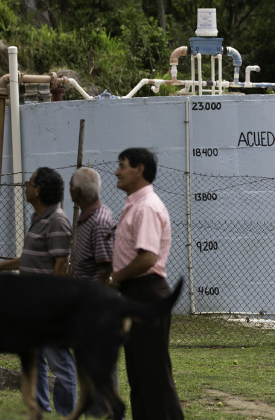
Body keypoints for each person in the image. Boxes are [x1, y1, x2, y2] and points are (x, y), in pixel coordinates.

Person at [0, 167, 77, 417]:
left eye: (29, 183)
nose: (26, 186)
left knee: (60, 363)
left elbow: (61, 264)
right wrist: (2, 266)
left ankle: (67, 413)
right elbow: (29, 258)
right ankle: (41, 410)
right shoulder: (38, 219)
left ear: (38, 190)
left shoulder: (57, 220)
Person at [104, 147, 184, 420]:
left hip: (146, 293)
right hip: (135, 294)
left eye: (122, 165)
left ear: (139, 169)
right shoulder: (135, 205)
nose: (117, 171)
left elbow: (148, 256)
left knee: (154, 375)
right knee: (139, 375)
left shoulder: (147, 207)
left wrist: (115, 278)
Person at [68, 167, 118, 418]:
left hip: (96, 314)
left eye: (70, 185)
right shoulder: (86, 218)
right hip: (84, 311)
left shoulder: (99, 221)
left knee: (99, 374)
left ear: (76, 191)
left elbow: (107, 268)